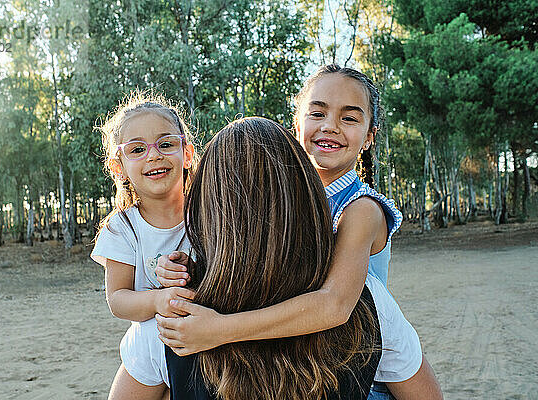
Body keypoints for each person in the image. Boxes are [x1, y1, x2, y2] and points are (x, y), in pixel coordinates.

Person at [155, 66, 442, 399]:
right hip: (293, 349)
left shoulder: (362, 210)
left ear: (369, 138)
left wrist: (219, 330)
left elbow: (335, 305)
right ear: (297, 124)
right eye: (318, 113)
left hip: (358, 370)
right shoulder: (283, 199)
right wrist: (179, 265)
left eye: (349, 119)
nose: (330, 126)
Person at [90, 91, 197, 400]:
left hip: (200, 347)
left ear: (186, 153)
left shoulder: (208, 214)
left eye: (165, 144)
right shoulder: (122, 228)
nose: (154, 156)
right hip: (145, 353)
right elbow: (118, 300)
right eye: (137, 149)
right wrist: (158, 301)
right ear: (118, 166)